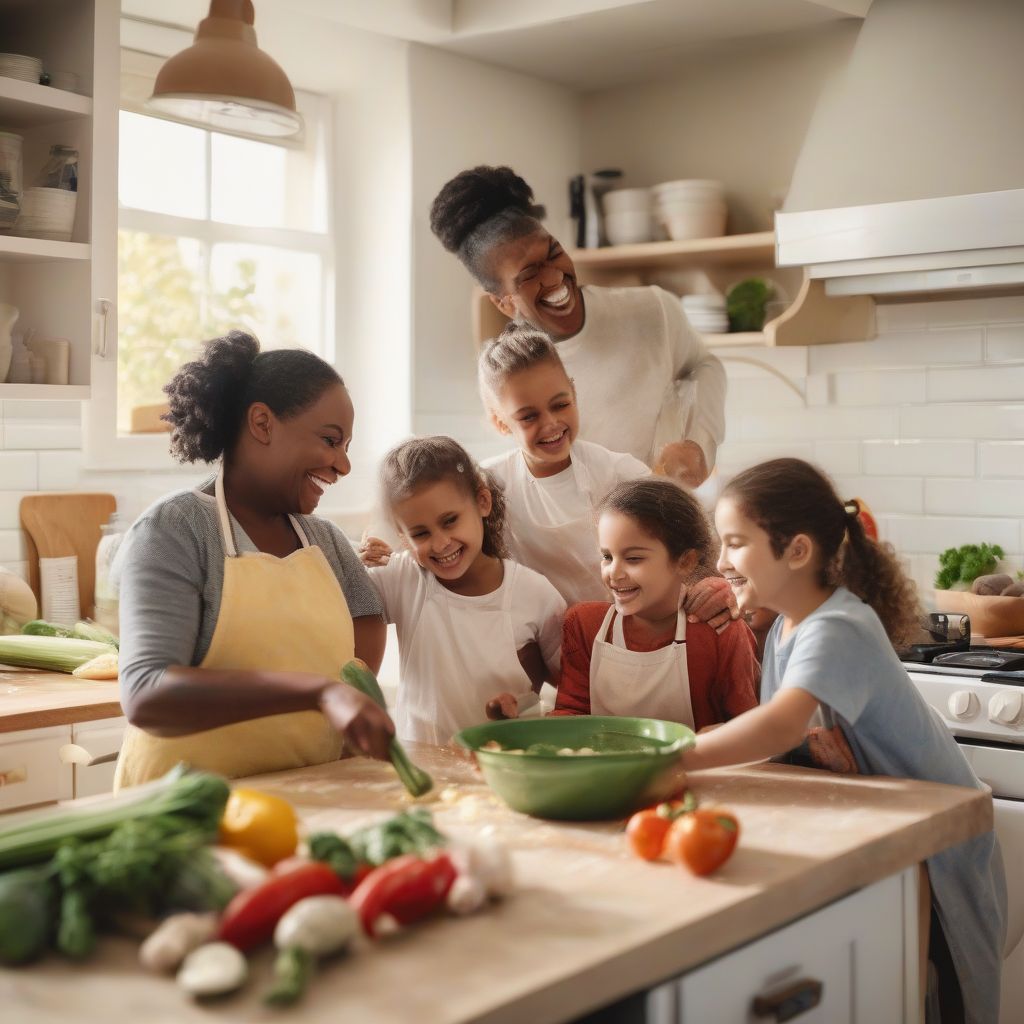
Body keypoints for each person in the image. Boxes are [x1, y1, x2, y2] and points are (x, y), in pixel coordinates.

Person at [686, 457, 1005, 1024]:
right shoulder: (787, 623)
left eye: (735, 543)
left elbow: (780, 726)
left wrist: (677, 758)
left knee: (937, 1001)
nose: (720, 561)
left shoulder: (838, 627)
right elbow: (779, 741)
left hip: (940, 850)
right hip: (893, 835)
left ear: (797, 551)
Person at [114, 332, 395, 789]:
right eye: (330, 440)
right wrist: (318, 693)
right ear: (262, 423)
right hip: (182, 809)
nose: (342, 465)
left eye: (346, 447)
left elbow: (358, 666)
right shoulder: (175, 529)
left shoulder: (327, 543)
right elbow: (146, 693)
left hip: (306, 803)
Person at [429, 164, 726, 489]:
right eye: (529, 275)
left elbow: (705, 365)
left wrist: (698, 444)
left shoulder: (652, 310)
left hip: (658, 516)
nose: (555, 278)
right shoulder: (508, 373)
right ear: (502, 302)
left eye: (554, 253)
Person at [366, 436, 565, 743]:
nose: (441, 542)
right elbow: (338, 605)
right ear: (402, 536)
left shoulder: (534, 593)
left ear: (482, 502)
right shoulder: (403, 577)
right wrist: (356, 563)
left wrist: (521, 708)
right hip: (423, 763)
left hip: (507, 764)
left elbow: (569, 688)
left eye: (450, 521)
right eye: (420, 533)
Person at [554, 478, 759, 728]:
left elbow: (750, 729)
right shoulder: (584, 625)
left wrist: (721, 735)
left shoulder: (720, 631)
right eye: (607, 556)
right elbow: (571, 712)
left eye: (634, 558)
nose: (614, 573)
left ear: (685, 562)